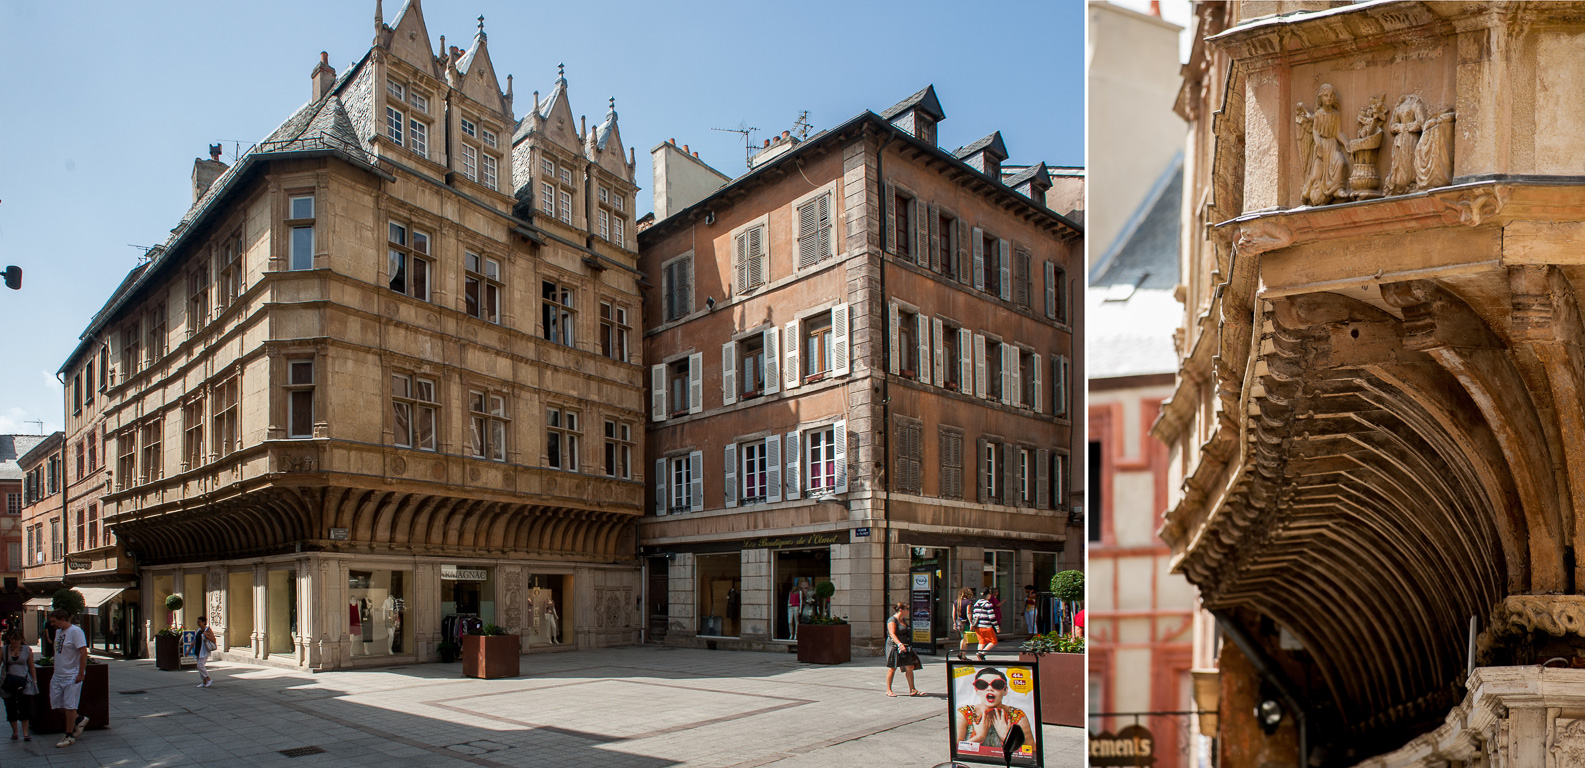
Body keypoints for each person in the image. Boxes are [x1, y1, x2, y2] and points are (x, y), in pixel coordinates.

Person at [955, 667, 1036, 752]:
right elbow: (956, 749)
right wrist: (979, 737)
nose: (990, 689)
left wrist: (1006, 737)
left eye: (997, 685)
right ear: (976, 690)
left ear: (1005, 691)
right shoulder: (964, 713)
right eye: (982, 685)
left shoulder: (1017, 715)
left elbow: (1031, 751)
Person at [46, 609, 89, 748]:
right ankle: (79, 719)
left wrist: (81, 673)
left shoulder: (76, 632)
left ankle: (69, 735)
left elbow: (83, 652)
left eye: (54, 621)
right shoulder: (59, 632)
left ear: (62, 619)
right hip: (58, 674)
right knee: (57, 703)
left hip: (71, 674)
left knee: (70, 705)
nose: (52, 624)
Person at [3, 630, 38, 742]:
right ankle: (15, 732)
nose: (13, 641)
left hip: (23, 681)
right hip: (8, 682)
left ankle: (25, 733)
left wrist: (34, 680)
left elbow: (31, 666)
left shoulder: (27, 650)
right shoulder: (4, 650)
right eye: (11, 639)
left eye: (16, 639)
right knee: (10, 706)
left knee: (24, 707)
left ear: (21, 640)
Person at [884, 602, 922, 697]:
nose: (908, 611)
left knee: (909, 666)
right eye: (907, 609)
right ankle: (889, 689)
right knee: (893, 667)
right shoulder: (892, 620)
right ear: (901, 610)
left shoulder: (903, 620)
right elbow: (892, 634)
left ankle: (912, 689)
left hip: (905, 646)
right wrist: (899, 644)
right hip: (894, 646)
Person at [970, 589, 999, 661]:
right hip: (986, 626)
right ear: (988, 595)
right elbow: (992, 617)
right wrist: (997, 627)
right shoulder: (988, 604)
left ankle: (979, 654)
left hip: (978, 626)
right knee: (993, 641)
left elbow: (974, 614)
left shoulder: (977, 603)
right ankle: (982, 653)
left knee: (981, 641)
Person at [952, 587, 975, 661]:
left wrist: (954, 623)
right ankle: (963, 656)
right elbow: (968, 612)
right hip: (966, 623)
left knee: (963, 638)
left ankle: (961, 653)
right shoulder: (968, 602)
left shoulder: (956, 602)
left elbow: (953, 613)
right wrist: (971, 623)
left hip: (959, 622)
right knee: (965, 639)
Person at [194, 616, 216, 688]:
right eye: (197, 621)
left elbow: (213, 639)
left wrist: (206, 636)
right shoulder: (198, 630)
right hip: (198, 650)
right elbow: (194, 641)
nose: (198, 623)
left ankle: (208, 678)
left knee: (200, 665)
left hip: (204, 650)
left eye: (199, 621)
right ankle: (204, 681)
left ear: (204, 622)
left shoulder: (208, 630)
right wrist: (189, 650)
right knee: (200, 666)